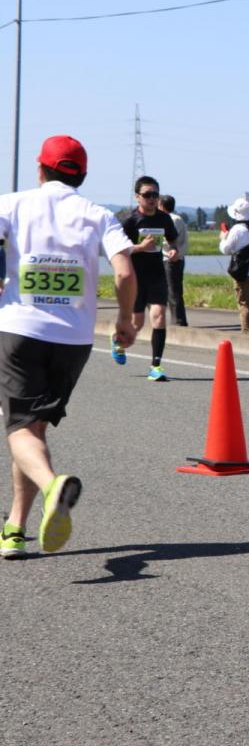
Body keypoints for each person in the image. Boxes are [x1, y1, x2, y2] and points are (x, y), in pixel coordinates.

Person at [0, 135, 137, 559]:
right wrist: (124, 321)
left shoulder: (11, 204)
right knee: (32, 428)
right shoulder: (97, 215)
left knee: (20, 427)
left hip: (20, 329)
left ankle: (52, 486)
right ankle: (15, 529)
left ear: (40, 169)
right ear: (82, 175)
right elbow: (125, 272)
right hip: (74, 338)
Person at [118, 175, 179, 380]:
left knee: (159, 316)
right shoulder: (130, 220)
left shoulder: (164, 218)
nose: (152, 198)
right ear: (137, 197)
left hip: (157, 275)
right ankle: (117, 340)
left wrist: (173, 251)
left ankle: (156, 366)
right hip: (135, 277)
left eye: (155, 194)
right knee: (136, 324)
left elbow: (172, 241)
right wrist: (140, 247)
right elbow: (119, 250)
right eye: (147, 195)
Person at [218, 197, 249, 335]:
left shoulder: (237, 230)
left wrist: (223, 238)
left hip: (242, 272)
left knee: (244, 304)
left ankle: (247, 333)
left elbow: (226, 250)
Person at [160, 194, 189, 327]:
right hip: (175, 258)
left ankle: (178, 320)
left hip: (171, 258)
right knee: (173, 290)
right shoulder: (177, 218)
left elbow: (170, 240)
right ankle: (177, 319)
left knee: (173, 291)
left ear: (161, 205)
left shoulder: (171, 219)